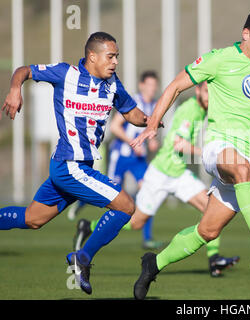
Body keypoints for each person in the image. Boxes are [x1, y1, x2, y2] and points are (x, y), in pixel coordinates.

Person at [130, 9, 250, 300]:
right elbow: (176, 85)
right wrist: (153, 123)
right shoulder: (218, 58)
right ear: (246, 34)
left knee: (207, 231)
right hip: (218, 147)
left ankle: (153, 265)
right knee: (240, 170)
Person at [0, 32, 152, 295]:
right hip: (69, 166)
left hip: (79, 168)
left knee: (33, 219)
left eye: (117, 56)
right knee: (127, 207)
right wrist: (15, 90)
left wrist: (152, 120)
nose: (115, 62)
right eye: (111, 56)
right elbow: (23, 70)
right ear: (92, 56)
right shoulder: (64, 73)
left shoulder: (112, 84)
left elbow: (131, 113)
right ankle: (82, 258)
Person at [74, 82, 240, 277]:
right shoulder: (191, 110)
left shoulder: (202, 111)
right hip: (161, 173)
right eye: (206, 92)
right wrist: (208, 153)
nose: (209, 97)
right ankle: (89, 226)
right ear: (197, 92)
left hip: (179, 174)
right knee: (136, 223)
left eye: (212, 93)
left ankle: (214, 260)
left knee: (211, 209)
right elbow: (179, 145)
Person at [70, 71, 162, 249]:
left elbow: (147, 131)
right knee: (110, 195)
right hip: (120, 157)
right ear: (141, 85)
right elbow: (115, 127)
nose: (151, 89)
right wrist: (132, 142)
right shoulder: (133, 103)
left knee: (149, 191)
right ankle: (82, 204)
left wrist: (152, 141)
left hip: (138, 160)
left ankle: (147, 238)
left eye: (154, 86)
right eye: (148, 85)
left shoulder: (155, 106)